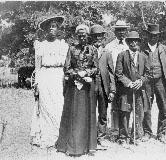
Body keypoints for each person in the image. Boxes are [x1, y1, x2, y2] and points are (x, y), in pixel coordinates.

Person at [55, 24, 99, 156]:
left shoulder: (93, 49)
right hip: (74, 87)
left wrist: (86, 72)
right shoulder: (72, 48)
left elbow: (96, 68)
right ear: (77, 36)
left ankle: (88, 147)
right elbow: (66, 68)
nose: (81, 37)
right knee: (73, 115)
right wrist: (76, 74)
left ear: (88, 36)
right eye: (79, 35)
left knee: (87, 115)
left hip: (87, 87)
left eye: (84, 35)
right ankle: (72, 147)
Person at [30, 16, 69, 148]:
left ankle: (58, 136)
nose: (52, 29)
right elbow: (38, 66)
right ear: (46, 30)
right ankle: (46, 136)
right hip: (45, 76)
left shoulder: (63, 45)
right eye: (50, 27)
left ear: (58, 29)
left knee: (58, 105)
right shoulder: (41, 45)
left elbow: (66, 65)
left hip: (58, 76)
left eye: (54, 26)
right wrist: (36, 83)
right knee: (45, 105)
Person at [115, 31, 151, 144]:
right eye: (131, 41)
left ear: (139, 42)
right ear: (127, 42)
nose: (133, 43)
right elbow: (118, 73)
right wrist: (129, 83)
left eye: (136, 41)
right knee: (125, 112)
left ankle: (135, 136)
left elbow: (148, 74)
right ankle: (123, 137)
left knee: (138, 113)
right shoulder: (122, 55)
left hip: (139, 90)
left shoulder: (144, 57)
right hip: (126, 90)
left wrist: (141, 81)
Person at [142, 24, 166, 144]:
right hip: (147, 82)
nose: (153, 37)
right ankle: (147, 132)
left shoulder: (164, 49)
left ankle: (161, 133)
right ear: (147, 35)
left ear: (158, 36)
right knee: (146, 107)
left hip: (161, 82)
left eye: (155, 35)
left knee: (163, 108)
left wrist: (163, 75)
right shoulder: (142, 48)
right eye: (151, 35)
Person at [89, 25, 116, 145]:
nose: (97, 38)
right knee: (90, 111)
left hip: (104, 86)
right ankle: (89, 137)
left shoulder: (107, 52)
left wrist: (112, 90)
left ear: (103, 37)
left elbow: (111, 72)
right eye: (95, 36)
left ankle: (102, 137)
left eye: (100, 36)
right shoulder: (87, 50)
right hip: (90, 85)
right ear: (91, 37)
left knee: (103, 112)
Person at [105, 20, 130, 129]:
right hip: (113, 80)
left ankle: (124, 129)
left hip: (125, 80)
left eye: (123, 30)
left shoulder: (129, 46)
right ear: (115, 32)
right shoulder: (109, 47)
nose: (121, 32)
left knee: (125, 105)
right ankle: (114, 129)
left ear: (126, 31)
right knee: (113, 104)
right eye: (119, 30)